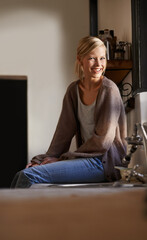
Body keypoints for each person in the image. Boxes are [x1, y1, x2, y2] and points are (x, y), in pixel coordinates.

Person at [11, 36, 127, 188]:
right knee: (23, 173)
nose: (98, 64)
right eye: (92, 58)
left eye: (102, 58)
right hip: (86, 160)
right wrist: (42, 160)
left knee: (29, 176)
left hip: (105, 163)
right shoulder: (74, 90)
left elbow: (102, 142)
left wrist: (63, 159)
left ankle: (16, 213)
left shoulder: (110, 90)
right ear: (80, 60)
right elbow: (63, 134)